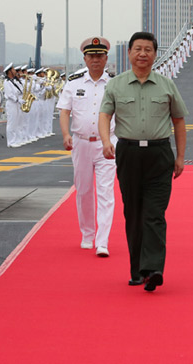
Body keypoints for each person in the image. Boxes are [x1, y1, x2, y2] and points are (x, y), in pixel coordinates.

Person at [98, 31, 188, 292]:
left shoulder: (166, 85)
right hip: (128, 153)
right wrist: (106, 142)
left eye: (148, 49)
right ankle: (137, 270)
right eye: (137, 49)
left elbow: (179, 121)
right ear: (129, 53)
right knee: (133, 213)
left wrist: (180, 156)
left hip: (159, 154)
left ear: (155, 54)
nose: (142, 54)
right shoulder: (115, 85)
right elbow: (105, 116)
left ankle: (154, 269)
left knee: (155, 213)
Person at [58, 37, 117, 257]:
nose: (95, 60)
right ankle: (87, 234)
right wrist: (65, 134)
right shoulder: (73, 83)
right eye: (91, 56)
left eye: (99, 56)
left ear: (106, 59)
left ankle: (103, 240)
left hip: (107, 143)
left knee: (105, 192)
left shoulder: (114, 83)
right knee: (83, 190)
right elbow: (64, 111)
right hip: (81, 142)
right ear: (84, 58)